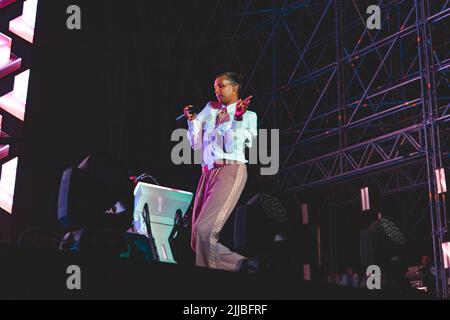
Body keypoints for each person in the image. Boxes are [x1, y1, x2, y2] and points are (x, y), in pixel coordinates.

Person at [184, 72, 258, 272]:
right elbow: (196, 144)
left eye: (221, 85)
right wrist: (192, 121)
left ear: (235, 88)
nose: (217, 90)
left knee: (205, 231)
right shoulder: (209, 109)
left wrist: (237, 119)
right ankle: (241, 265)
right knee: (196, 239)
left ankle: (210, 284)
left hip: (230, 170)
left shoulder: (250, 116)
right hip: (206, 174)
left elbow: (231, 144)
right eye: (215, 86)